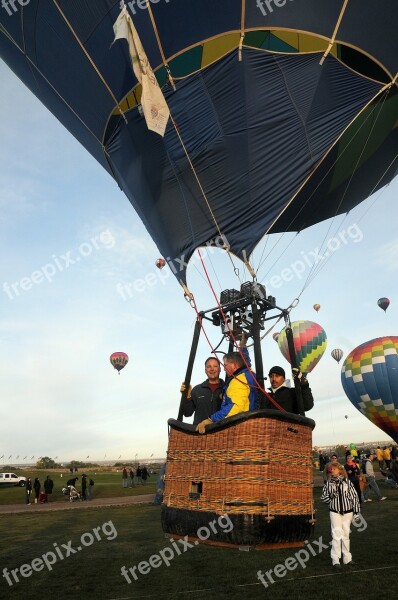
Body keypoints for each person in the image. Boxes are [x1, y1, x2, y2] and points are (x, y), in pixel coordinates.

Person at [196, 351, 258, 434]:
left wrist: (211, 419)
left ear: (234, 365)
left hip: (243, 428)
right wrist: (243, 346)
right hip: (253, 423)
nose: (224, 369)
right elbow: (245, 361)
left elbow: (235, 407)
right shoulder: (249, 374)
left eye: (225, 365)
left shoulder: (238, 381)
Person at [321, 462, 360, 568]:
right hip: (335, 512)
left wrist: (356, 512)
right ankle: (335, 560)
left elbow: (354, 497)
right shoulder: (328, 483)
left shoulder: (347, 482)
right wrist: (332, 495)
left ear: (339, 470)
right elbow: (324, 498)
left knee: (346, 535)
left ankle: (347, 558)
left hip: (348, 512)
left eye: (334, 469)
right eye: (331, 469)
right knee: (336, 536)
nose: (331, 471)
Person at [182, 357, 224, 427]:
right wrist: (186, 396)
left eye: (215, 366)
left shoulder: (227, 389)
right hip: (201, 434)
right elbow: (187, 413)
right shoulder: (197, 390)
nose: (212, 369)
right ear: (205, 370)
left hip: (222, 433)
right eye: (209, 366)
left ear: (220, 369)